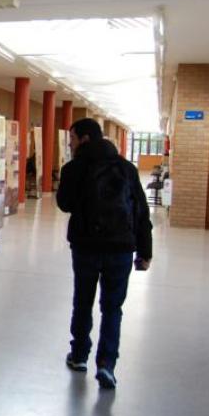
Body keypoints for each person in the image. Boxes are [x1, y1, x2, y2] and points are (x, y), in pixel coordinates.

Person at [56, 119, 152, 389]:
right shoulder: (126, 168)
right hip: (121, 249)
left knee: (83, 301)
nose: (70, 143)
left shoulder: (74, 168)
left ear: (85, 139)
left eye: (72, 138)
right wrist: (145, 251)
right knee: (113, 307)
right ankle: (107, 364)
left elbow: (64, 204)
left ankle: (79, 356)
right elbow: (141, 212)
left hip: (85, 247)